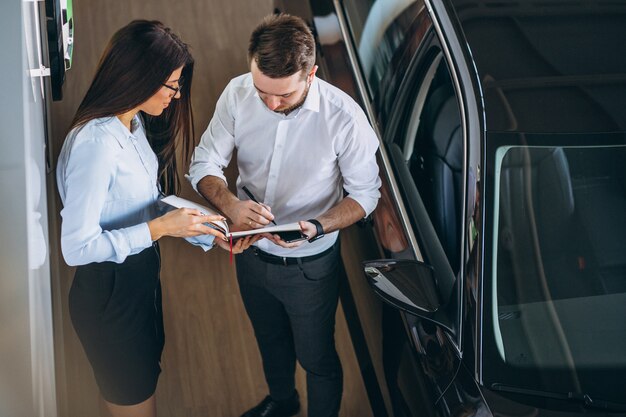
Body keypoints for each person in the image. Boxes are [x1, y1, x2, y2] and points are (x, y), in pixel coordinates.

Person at [56, 20, 254, 417]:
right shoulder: (96, 145)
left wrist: (207, 229)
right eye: (171, 85)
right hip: (111, 296)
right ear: (138, 78)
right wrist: (161, 228)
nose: (177, 95)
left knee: (131, 392)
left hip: (137, 279)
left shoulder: (132, 124)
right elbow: (76, 248)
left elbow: (147, 201)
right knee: (133, 401)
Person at [188, 13, 381, 417]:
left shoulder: (346, 120)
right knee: (269, 340)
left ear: (311, 74)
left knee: (317, 359)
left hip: (310, 266)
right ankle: (282, 402)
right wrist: (231, 206)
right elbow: (204, 162)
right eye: (263, 91)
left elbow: (365, 196)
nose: (271, 104)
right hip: (249, 254)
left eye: (284, 96)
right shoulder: (239, 93)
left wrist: (318, 226)